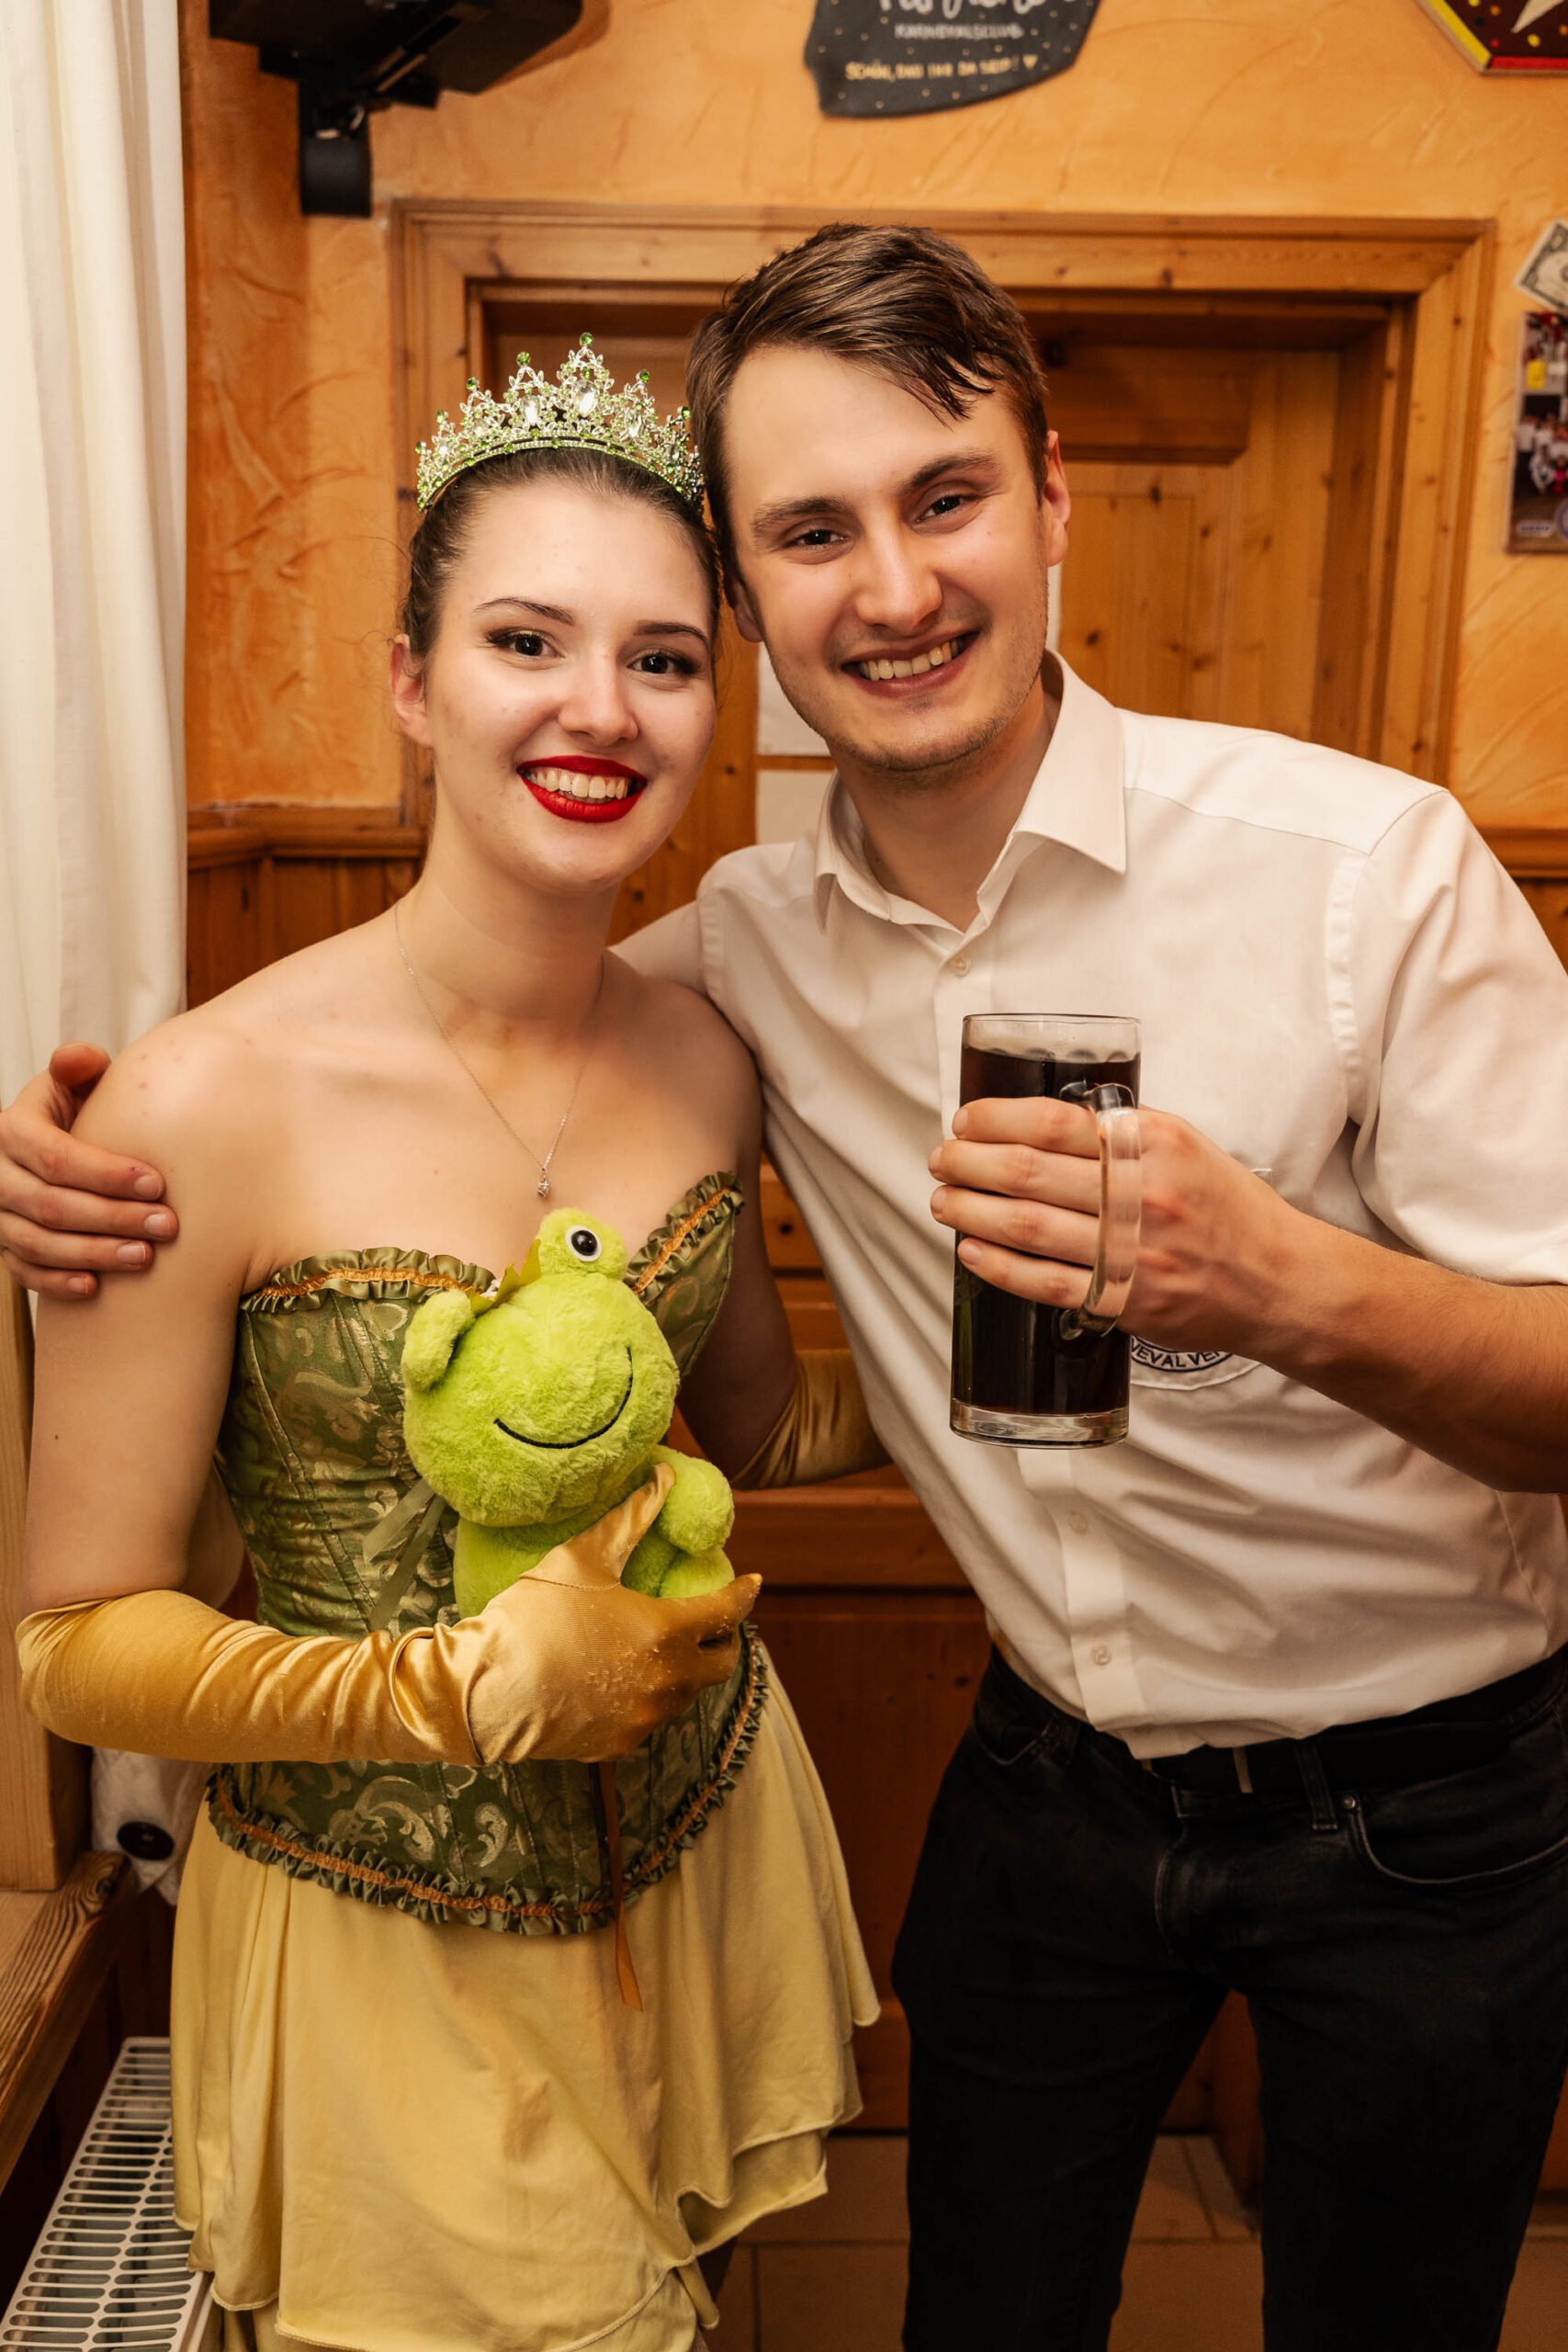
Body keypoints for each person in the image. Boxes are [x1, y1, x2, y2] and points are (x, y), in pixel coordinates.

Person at [10, 225, 1568, 2350]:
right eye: (811, 532)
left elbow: (1554, 1375)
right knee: (975, 2311)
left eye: (944, 497)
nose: (893, 584)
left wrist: (1274, 1280)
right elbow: (447, 1049)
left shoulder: (1351, 875)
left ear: (1047, 499)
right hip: (1040, 1790)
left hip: (1425, 1805)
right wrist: (88, 1148)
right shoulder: (735, 960)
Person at [12, 344, 879, 2352]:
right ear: (412, 682)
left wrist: (1058, 1353)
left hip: (697, 1851)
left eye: (664, 658)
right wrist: (451, 1690)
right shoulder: (200, 1099)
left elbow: (760, 1426)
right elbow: (73, 1640)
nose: (601, 708)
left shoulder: (703, 1054)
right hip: (381, 1932)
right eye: (525, 640)